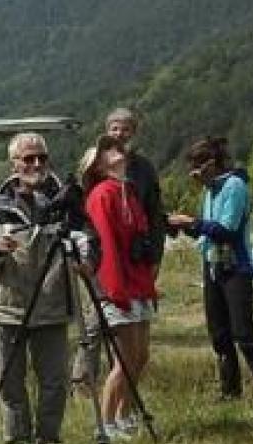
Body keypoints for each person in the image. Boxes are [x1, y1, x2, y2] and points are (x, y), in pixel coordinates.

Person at [0, 133, 77, 444]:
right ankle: (17, 438)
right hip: (7, 307)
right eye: (28, 159)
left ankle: (49, 438)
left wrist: (89, 258)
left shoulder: (66, 200)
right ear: (13, 164)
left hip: (51, 304)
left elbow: (88, 238)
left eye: (41, 158)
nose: (36, 164)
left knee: (54, 384)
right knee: (10, 384)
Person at [167, 137, 253, 401]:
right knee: (219, 333)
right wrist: (186, 227)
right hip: (213, 265)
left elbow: (226, 230)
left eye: (195, 168)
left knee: (244, 333)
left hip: (236, 267)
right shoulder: (209, 191)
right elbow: (207, 231)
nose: (193, 174)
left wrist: (192, 222)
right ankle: (230, 391)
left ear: (210, 164)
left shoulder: (235, 186)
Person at [73, 108, 167, 391]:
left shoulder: (144, 169)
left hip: (135, 262)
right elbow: (90, 219)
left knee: (132, 346)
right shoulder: (99, 172)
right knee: (95, 324)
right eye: (114, 128)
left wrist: (154, 257)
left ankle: (121, 397)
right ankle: (83, 380)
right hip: (106, 262)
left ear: (133, 133)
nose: (119, 134)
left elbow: (155, 214)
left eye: (125, 129)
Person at [82, 136, 157, 440]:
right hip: (119, 287)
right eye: (109, 151)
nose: (118, 152)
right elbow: (107, 248)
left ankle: (124, 414)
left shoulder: (128, 191)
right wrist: (115, 291)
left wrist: (148, 284)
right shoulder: (103, 195)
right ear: (99, 165)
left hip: (137, 283)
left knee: (140, 356)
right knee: (123, 359)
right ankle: (106, 423)